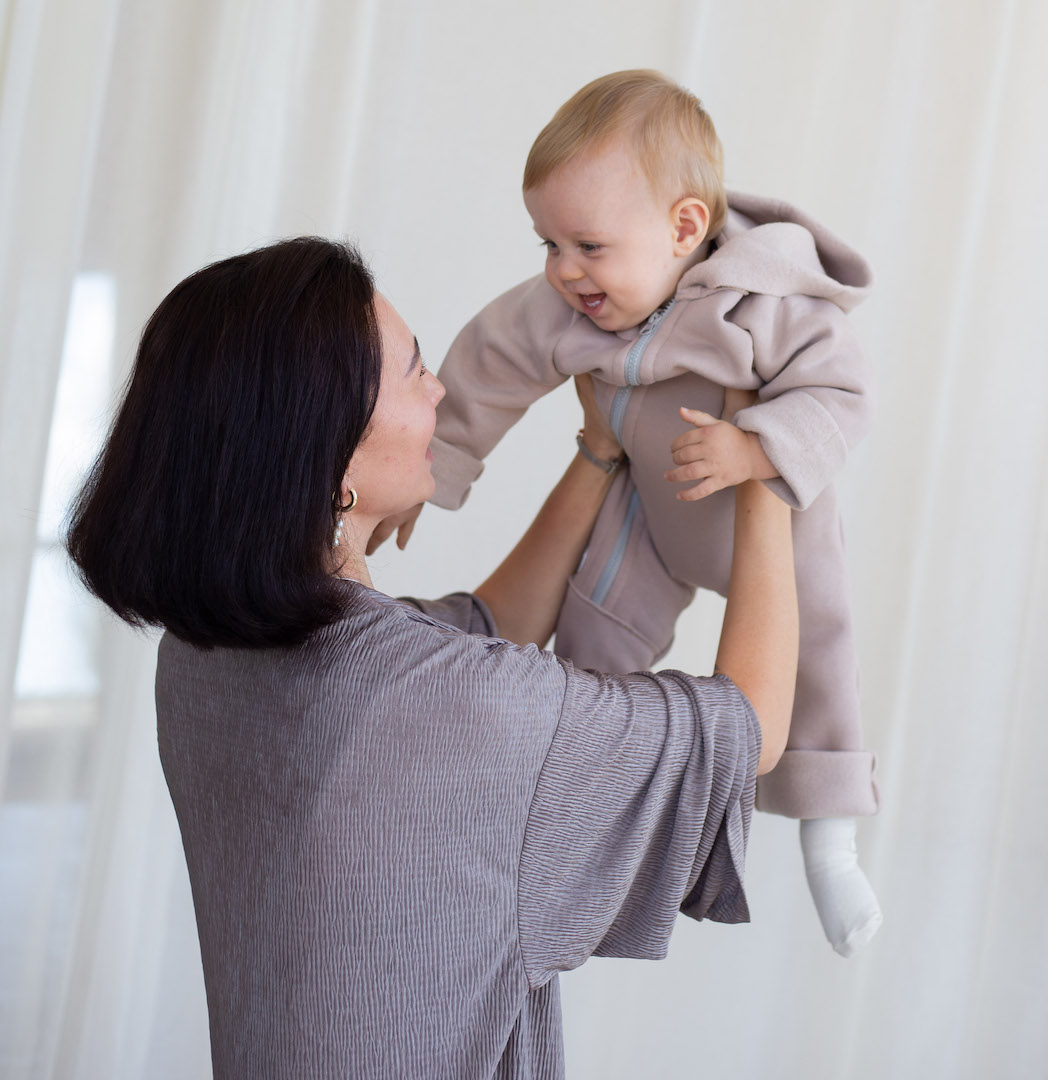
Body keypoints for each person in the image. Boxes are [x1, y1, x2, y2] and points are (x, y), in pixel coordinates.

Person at [65, 237, 798, 1079]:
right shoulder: (440, 700)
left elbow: (482, 629)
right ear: (331, 456)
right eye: (414, 370)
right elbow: (749, 727)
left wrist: (599, 452)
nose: (441, 387)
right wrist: (766, 474)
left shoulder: (206, 659)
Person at [379, 69, 882, 957]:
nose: (563, 271)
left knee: (821, 658)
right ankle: (584, 816)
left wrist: (759, 445)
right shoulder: (571, 303)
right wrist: (437, 467)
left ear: (684, 227)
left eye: (586, 245)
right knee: (595, 632)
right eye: (546, 243)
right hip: (651, 505)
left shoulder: (767, 301)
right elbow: (491, 364)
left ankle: (830, 841)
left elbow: (842, 392)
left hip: (765, 515)